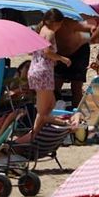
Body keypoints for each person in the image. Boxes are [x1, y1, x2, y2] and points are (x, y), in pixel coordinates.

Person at [23, 11, 73, 143]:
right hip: (43, 73)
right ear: (56, 23)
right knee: (43, 111)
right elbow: (47, 51)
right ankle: (30, 137)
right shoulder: (49, 33)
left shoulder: (40, 30)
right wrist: (62, 59)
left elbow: (31, 51)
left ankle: (39, 132)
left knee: (50, 105)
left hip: (38, 70)